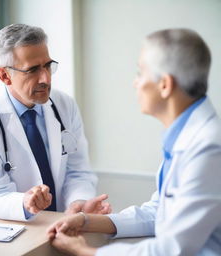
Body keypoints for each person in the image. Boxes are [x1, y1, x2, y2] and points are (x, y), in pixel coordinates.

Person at [46, 28, 221, 255]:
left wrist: (86, 252)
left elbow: (172, 249)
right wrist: (86, 220)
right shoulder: (186, 138)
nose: (135, 83)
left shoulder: (208, 149)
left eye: (140, 73)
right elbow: (158, 213)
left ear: (165, 85)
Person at [0, 24, 111, 221]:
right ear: (4, 75)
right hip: (19, 229)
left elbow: (78, 171)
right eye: (33, 70)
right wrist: (24, 203)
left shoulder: (64, 105)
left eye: (48, 66)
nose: (46, 78)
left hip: (65, 222)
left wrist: (78, 202)